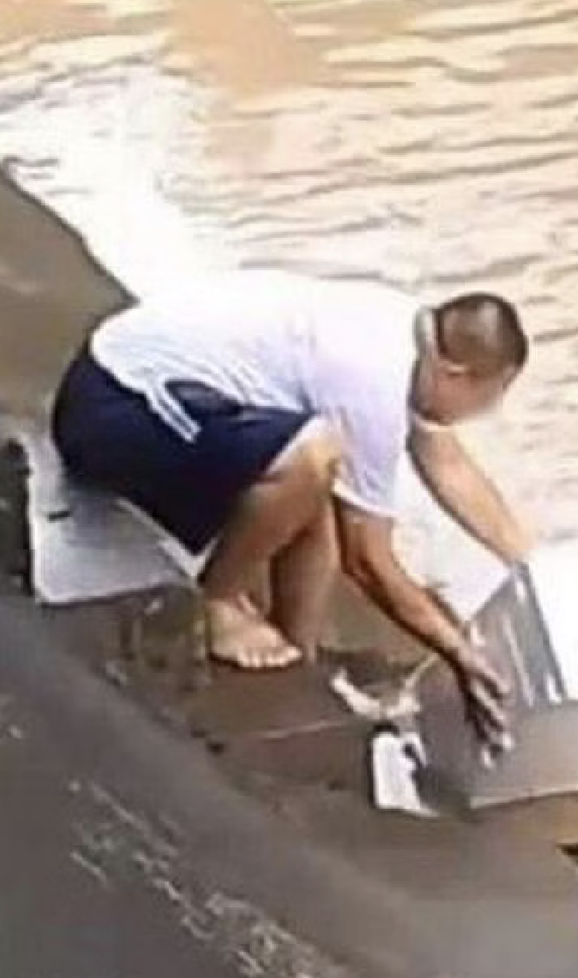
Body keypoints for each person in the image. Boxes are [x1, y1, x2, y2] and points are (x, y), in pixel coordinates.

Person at [50, 268, 533, 740]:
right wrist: (460, 653)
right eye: (490, 396)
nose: (487, 411)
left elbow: (444, 461)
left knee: (317, 477)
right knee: (312, 456)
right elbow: (367, 560)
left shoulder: (407, 332)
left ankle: (298, 658)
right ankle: (218, 603)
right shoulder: (373, 378)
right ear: (456, 374)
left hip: (148, 390)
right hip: (108, 409)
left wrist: (529, 565)